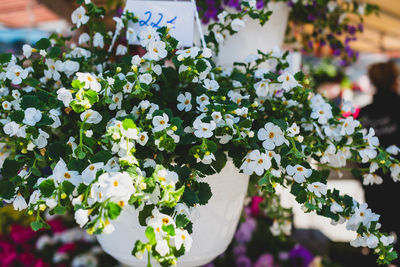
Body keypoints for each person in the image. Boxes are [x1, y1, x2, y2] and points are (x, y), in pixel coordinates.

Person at [359, 61, 400, 264]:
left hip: (374, 186)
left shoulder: (365, 113)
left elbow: (358, 153)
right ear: (395, 80)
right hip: (396, 186)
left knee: (377, 246)